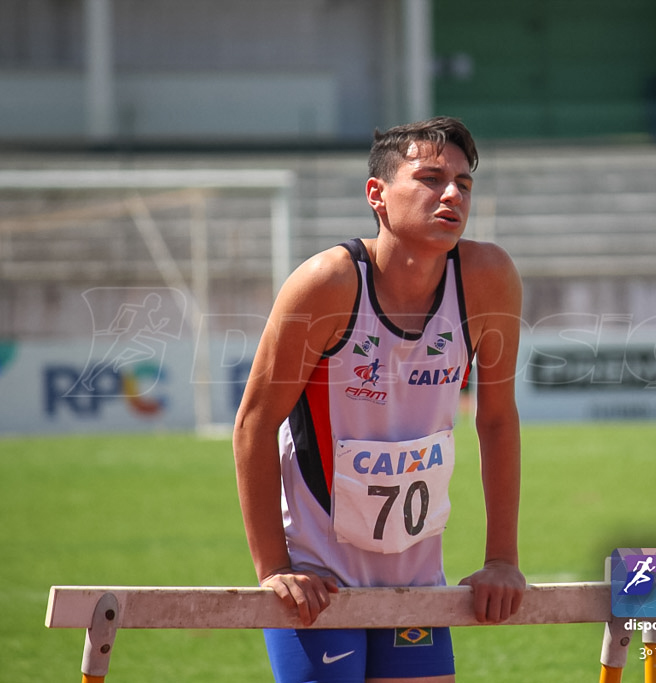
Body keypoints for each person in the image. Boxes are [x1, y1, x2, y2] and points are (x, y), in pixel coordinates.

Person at [233, 116, 525, 683]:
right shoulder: (328, 283)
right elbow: (253, 423)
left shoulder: (487, 277)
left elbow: (496, 420)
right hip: (317, 581)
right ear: (378, 195)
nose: (451, 195)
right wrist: (274, 569)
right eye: (430, 178)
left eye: (463, 184)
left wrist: (502, 561)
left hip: (417, 581)